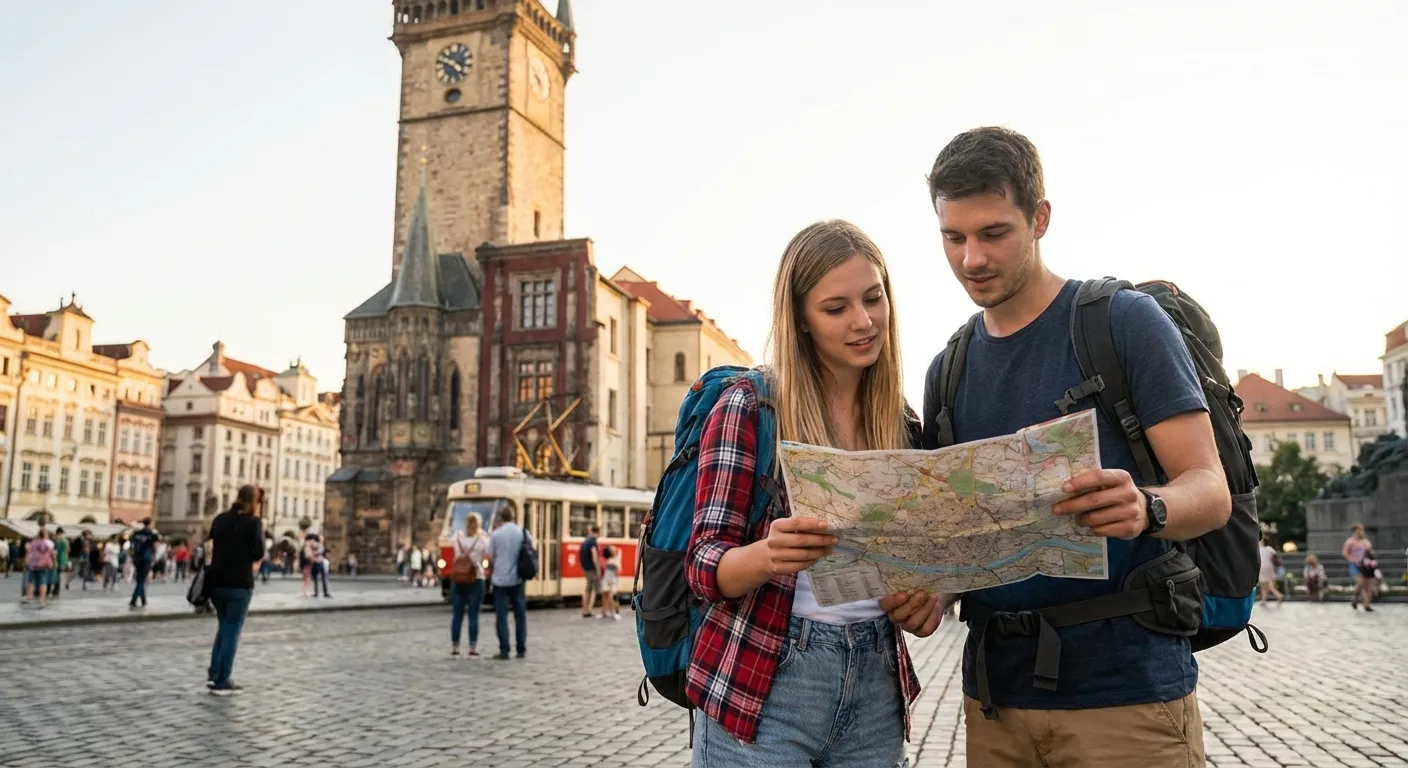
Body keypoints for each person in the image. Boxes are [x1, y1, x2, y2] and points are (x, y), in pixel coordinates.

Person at [918, 127, 1232, 767]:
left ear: (1040, 218)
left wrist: (1149, 507)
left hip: (1126, 697)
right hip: (995, 702)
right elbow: (965, 541)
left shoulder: (1122, 322)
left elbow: (1210, 488)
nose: (971, 258)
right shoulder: (946, 370)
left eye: (993, 233)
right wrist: (936, 591)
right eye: (954, 237)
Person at [686, 220, 937, 766]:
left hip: (876, 685)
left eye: (874, 299)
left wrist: (926, 601)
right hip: (765, 682)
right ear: (800, 320)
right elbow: (703, 566)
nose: (863, 321)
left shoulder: (903, 425)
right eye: (836, 308)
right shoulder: (750, 407)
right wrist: (767, 555)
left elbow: (918, 565)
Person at [204, 485, 267, 695]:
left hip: (216, 582)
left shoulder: (220, 519)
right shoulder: (253, 523)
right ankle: (222, 679)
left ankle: (214, 672)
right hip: (239, 582)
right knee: (232, 631)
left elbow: (208, 547)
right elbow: (258, 552)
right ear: (255, 502)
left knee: (223, 628)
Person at [488, 508, 529, 660]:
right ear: (513, 517)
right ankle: (521, 649)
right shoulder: (522, 532)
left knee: (501, 616)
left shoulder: (496, 534)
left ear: (501, 518)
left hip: (500, 580)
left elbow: (490, 556)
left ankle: (504, 650)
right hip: (518, 579)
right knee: (520, 615)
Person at [449, 513, 489, 658]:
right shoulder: (482, 540)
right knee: (473, 615)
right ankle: (472, 648)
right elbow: (488, 553)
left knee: (457, 615)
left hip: (459, 579)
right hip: (476, 578)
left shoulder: (457, 537)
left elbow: (455, 552)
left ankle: (455, 647)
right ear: (478, 524)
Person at [128, 518, 160, 609]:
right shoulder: (152, 534)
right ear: (150, 523)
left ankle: (143, 600)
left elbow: (131, 545)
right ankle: (133, 600)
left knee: (140, 578)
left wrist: (133, 556)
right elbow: (155, 547)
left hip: (137, 558)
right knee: (141, 581)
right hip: (146, 558)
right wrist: (155, 557)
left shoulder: (136, 533)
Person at [1343, 524, 1375, 612]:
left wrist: (1371, 560)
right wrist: (1352, 560)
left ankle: (1355, 598)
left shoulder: (1366, 542)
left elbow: (1370, 552)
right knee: (1361, 583)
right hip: (1355, 565)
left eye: (1361, 531)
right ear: (1354, 532)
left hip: (1365, 565)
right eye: (1358, 531)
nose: (1360, 533)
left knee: (1366, 585)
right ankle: (1366, 605)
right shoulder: (1350, 541)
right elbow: (1345, 552)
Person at [21, 529, 56, 608]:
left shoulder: (33, 543)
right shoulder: (48, 543)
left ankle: (29, 597)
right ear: (45, 535)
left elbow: (28, 553)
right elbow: (52, 553)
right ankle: (42, 600)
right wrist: (54, 562)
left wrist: (26, 563)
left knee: (31, 581)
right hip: (43, 565)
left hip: (33, 565)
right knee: (42, 582)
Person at [579, 525, 603, 618]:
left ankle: (586, 609)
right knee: (591, 589)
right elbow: (594, 556)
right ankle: (587, 609)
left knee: (588, 589)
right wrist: (598, 569)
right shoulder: (593, 541)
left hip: (586, 568)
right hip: (591, 569)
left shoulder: (586, 540)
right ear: (597, 532)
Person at [1258, 537, 1285, 604]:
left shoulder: (1258, 549)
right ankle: (1264, 600)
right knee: (1267, 583)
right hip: (1269, 566)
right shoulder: (1270, 549)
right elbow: (1275, 557)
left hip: (1262, 567)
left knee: (1264, 584)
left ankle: (1278, 595)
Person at [598, 544, 621, 621]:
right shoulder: (613, 560)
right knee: (609, 596)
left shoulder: (610, 560)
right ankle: (610, 613)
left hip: (608, 579)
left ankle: (608, 612)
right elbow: (618, 569)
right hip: (610, 579)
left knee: (607, 596)